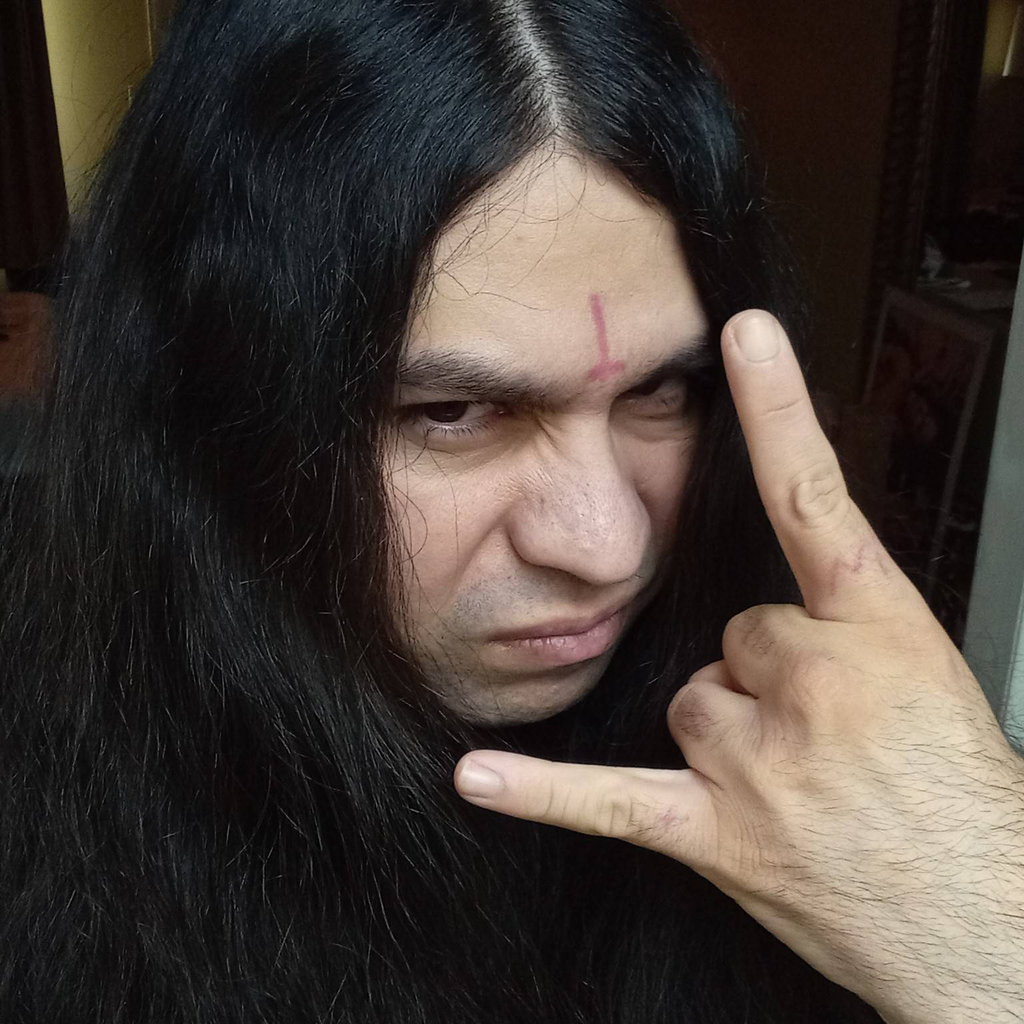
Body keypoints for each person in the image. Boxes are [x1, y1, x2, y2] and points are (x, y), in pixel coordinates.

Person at [1, 1, 1021, 1021]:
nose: (608, 546)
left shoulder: (825, 783)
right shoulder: (48, 848)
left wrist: (980, 916)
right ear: (207, 408)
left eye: (662, 390)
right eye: (451, 412)